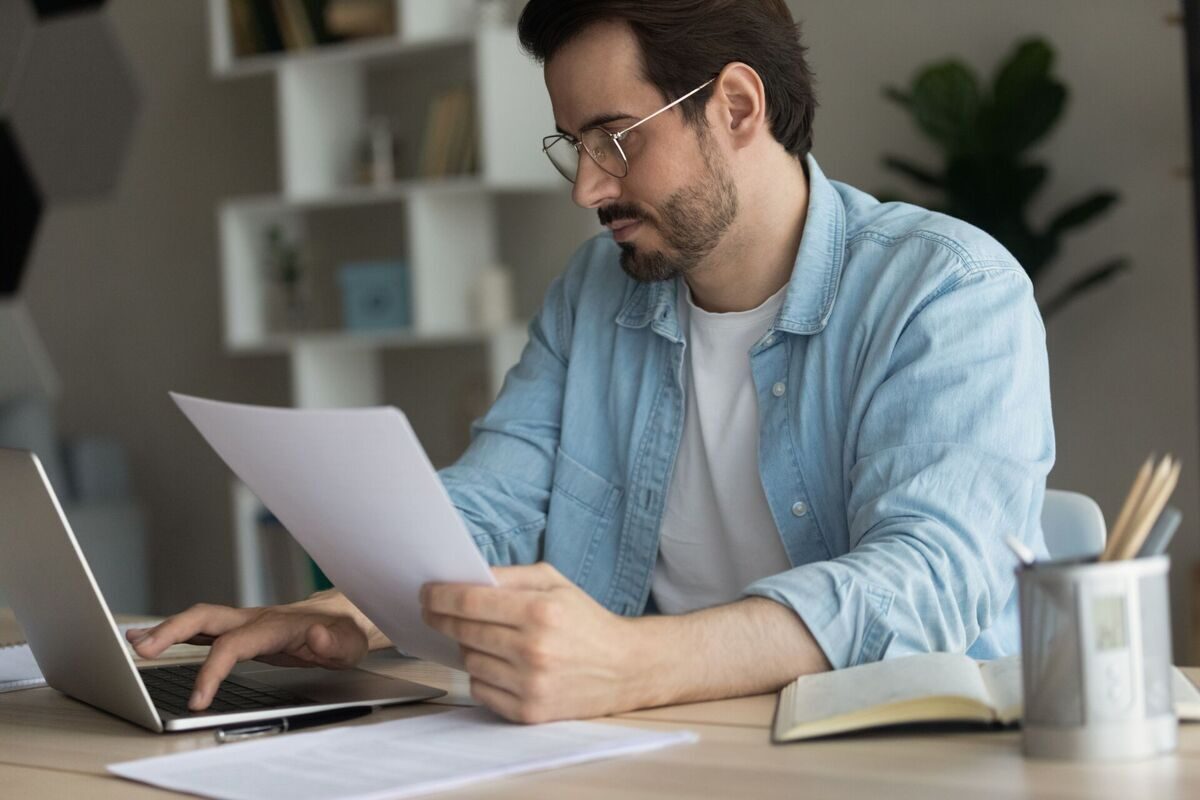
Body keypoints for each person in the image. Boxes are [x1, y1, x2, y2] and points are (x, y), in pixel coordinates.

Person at [129, 0, 1054, 724]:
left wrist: (630, 663)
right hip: (654, 745)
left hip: (899, 756)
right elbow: (496, 502)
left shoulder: (948, 290)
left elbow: (927, 579)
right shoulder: (598, 290)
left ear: (736, 106)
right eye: (573, 146)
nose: (587, 187)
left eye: (615, 138)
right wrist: (352, 608)